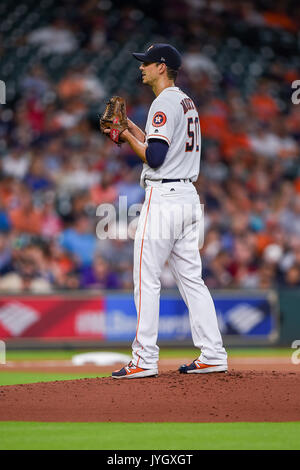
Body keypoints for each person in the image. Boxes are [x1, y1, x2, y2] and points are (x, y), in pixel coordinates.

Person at [110, 44, 228, 379]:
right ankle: (214, 353)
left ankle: (144, 358)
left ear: (162, 67)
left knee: (145, 278)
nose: (141, 68)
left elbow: (156, 158)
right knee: (192, 279)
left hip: (165, 197)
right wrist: (130, 128)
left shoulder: (163, 102)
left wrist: (124, 138)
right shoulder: (185, 101)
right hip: (188, 196)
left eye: (146, 63)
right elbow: (160, 145)